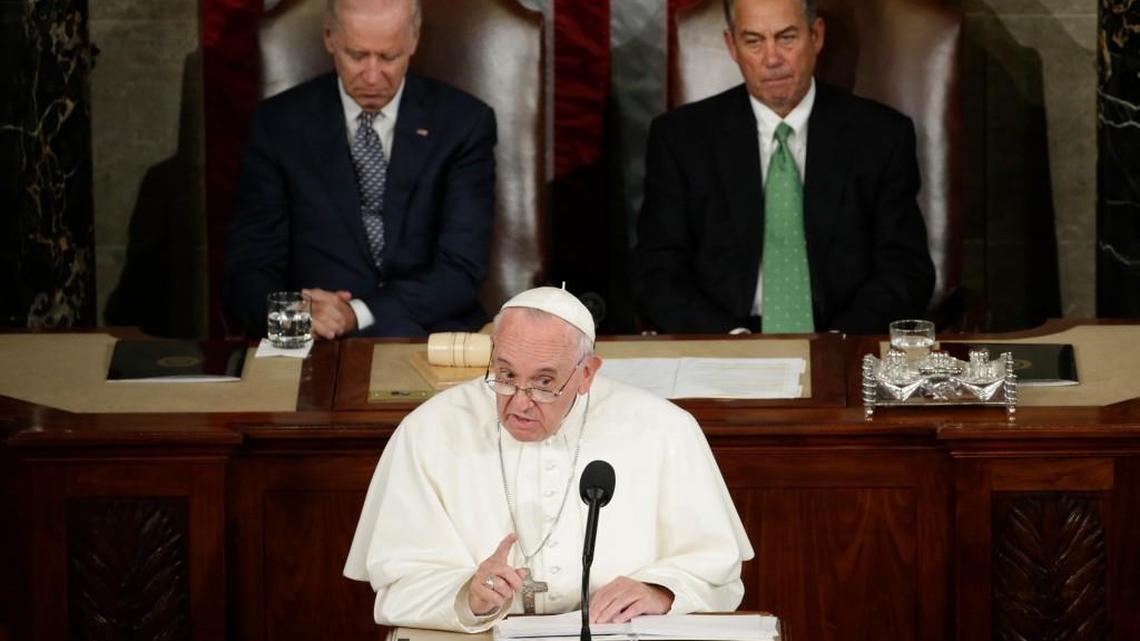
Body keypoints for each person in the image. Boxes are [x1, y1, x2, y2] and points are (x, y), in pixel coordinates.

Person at [344, 287, 753, 631]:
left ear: (587, 373)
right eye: (506, 376)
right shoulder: (430, 430)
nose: (520, 403)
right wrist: (467, 595)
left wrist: (660, 591)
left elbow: (715, 571)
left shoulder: (664, 428)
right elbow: (397, 585)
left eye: (544, 382)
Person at [631, 0, 934, 335]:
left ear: (816, 36)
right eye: (753, 41)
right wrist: (732, 342)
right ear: (732, 46)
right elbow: (657, 273)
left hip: (842, 337)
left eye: (786, 38)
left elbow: (905, 270)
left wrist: (838, 343)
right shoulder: (681, 139)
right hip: (724, 339)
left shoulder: (881, 136)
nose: (772, 59)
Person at [223, 0, 496, 338]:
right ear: (329, 38)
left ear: (413, 41)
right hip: (316, 339)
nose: (372, 76)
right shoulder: (277, 125)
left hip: (431, 333)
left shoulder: (465, 123)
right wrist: (297, 317)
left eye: (388, 57)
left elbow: (462, 269)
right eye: (356, 55)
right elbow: (248, 268)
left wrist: (357, 313)